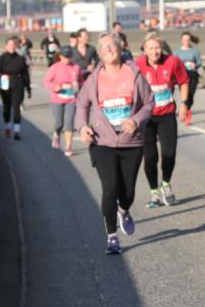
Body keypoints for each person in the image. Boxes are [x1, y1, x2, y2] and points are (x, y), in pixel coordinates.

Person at [77, 35, 154, 254]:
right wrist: (83, 127)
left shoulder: (134, 74)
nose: (109, 49)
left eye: (112, 45)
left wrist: (136, 120)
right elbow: (82, 104)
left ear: (120, 48)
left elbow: (149, 102)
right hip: (102, 141)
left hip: (131, 141)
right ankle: (111, 236)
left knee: (127, 192)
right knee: (110, 188)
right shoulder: (94, 78)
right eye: (104, 47)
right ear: (99, 53)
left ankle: (124, 209)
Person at [136, 34, 189, 208]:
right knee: (150, 157)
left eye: (157, 47)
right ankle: (154, 192)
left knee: (169, 153)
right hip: (146, 118)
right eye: (151, 48)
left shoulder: (173, 61)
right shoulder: (137, 64)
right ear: (144, 49)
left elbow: (184, 81)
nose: (155, 51)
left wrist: (184, 104)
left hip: (167, 115)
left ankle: (165, 183)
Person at [44, 45, 83, 156]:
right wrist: (54, 87)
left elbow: (82, 81)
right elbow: (46, 81)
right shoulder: (54, 67)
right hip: (57, 99)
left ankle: (68, 147)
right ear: (60, 56)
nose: (67, 59)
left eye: (69, 56)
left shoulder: (76, 68)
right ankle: (57, 134)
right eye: (65, 56)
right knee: (59, 123)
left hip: (71, 99)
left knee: (69, 122)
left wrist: (78, 85)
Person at [0, 36, 32, 139]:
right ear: (6, 46)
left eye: (13, 45)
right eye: (9, 45)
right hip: (5, 86)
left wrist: (28, 88)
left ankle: (17, 131)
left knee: (16, 106)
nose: (12, 47)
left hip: (18, 84)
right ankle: (8, 127)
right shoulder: (2, 59)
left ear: (16, 46)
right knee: (7, 108)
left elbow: (25, 74)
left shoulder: (20, 59)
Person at [176, 31, 202, 125]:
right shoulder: (177, 53)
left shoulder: (194, 51)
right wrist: (183, 65)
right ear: (181, 40)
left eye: (188, 39)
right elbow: (175, 65)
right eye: (184, 39)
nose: (186, 41)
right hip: (182, 76)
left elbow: (199, 63)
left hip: (193, 74)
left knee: (191, 94)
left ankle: (186, 109)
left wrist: (194, 65)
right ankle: (187, 114)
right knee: (186, 94)